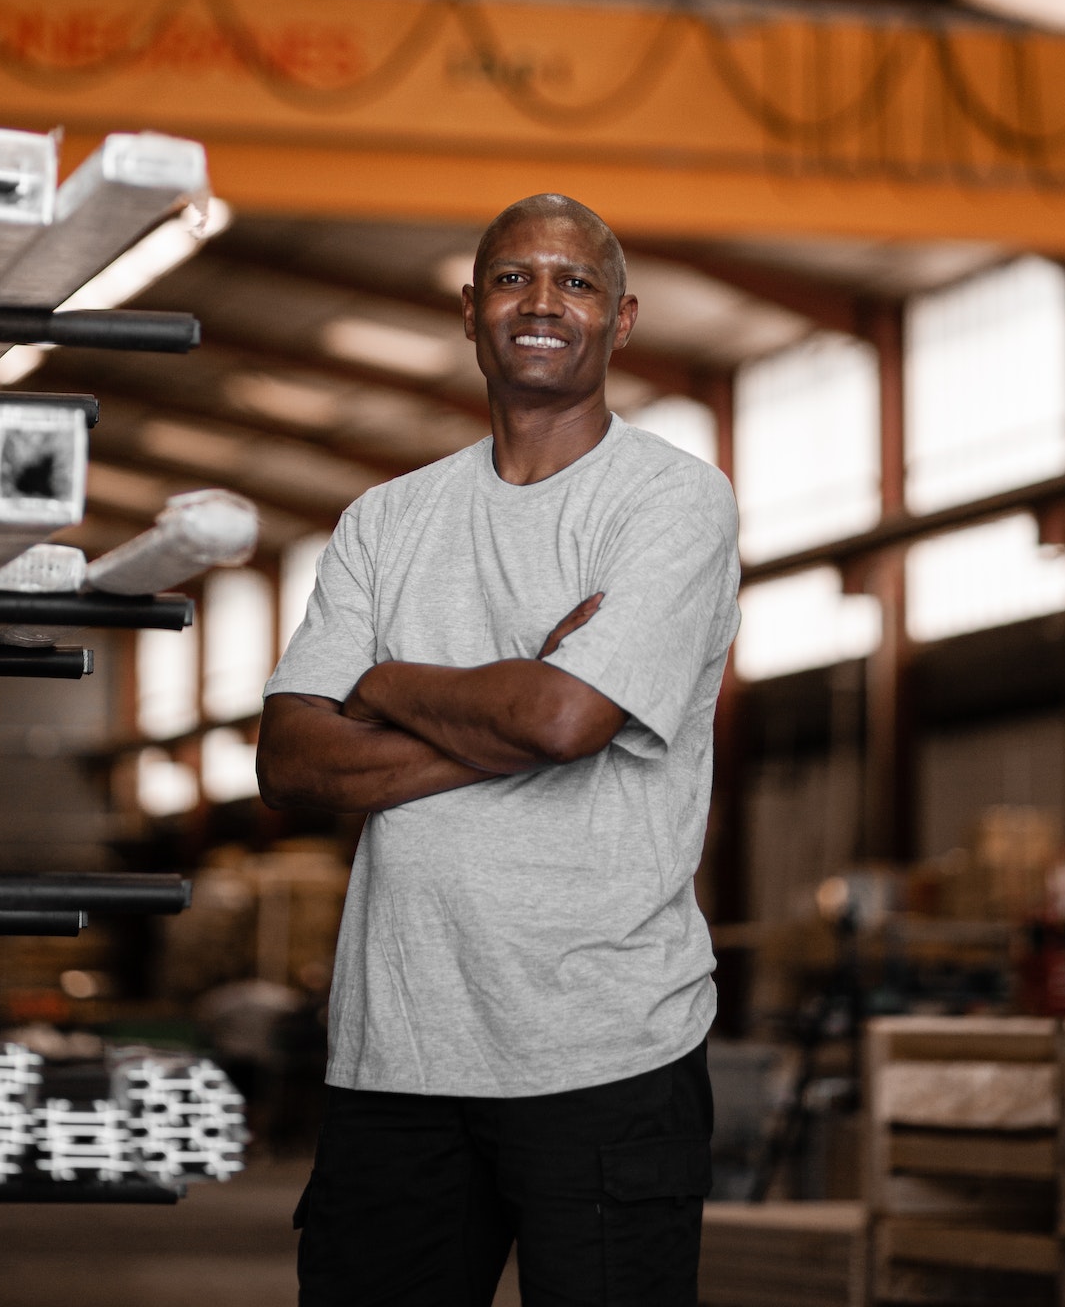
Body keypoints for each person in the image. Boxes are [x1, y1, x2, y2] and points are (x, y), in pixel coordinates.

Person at [256, 192, 740, 1307]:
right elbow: (289, 760)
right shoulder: (385, 519)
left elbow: (565, 719)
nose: (543, 302)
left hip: (604, 1051)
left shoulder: (670, 500)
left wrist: (382, 686)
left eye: (576, 281)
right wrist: (524, 698)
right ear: (470, 311)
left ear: (620, 321)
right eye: (515, 277)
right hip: (395, 1056)